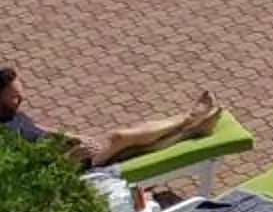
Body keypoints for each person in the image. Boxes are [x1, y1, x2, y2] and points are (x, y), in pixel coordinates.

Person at [2, 67, 222, 172]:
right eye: (15, 97)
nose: (22, 99)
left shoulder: (9, 112)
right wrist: (70, 157)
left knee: (130, 143)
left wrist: (71, 136)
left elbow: (34, 126)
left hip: (66, 151)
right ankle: (190, 118)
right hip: (63, 168)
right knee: (120, 138)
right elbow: (26, 174)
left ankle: (193, 128)